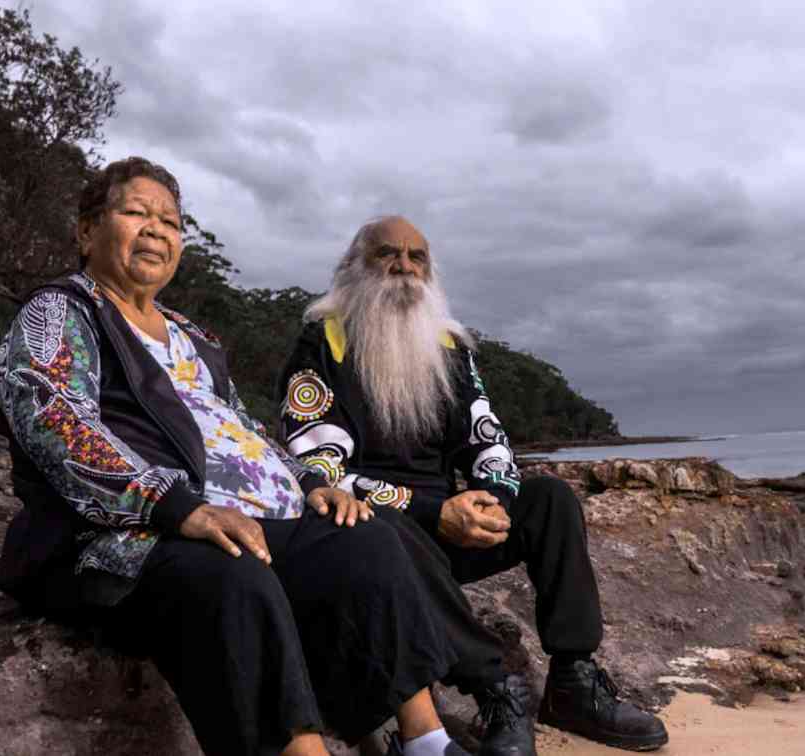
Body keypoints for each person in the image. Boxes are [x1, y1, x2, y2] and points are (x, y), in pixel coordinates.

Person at [0, 160, 471, 756]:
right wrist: (177, 507)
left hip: (241, 517)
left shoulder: (193, 337)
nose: (156, 231)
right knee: (235, 572)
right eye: (136, 213)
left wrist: (307, 481)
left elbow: (245, 433)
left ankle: (425, 742)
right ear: (88, 230)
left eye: (169, 221)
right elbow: (53, 421)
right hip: (119, 537)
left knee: (363, 538)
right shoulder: (64, 313)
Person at [278, 216, 670, 752]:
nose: (405, 267)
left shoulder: (449, 346)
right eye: (388, 254)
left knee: (550, 500)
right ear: (354, 268)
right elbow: (318, 468)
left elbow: (488, 438)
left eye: (418, 257)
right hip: (380, 535)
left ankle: (573, 680)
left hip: (453, 526)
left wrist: (495, 500)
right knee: (382, 528)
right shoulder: (322, 343)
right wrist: (428, 511)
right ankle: (493, 686)